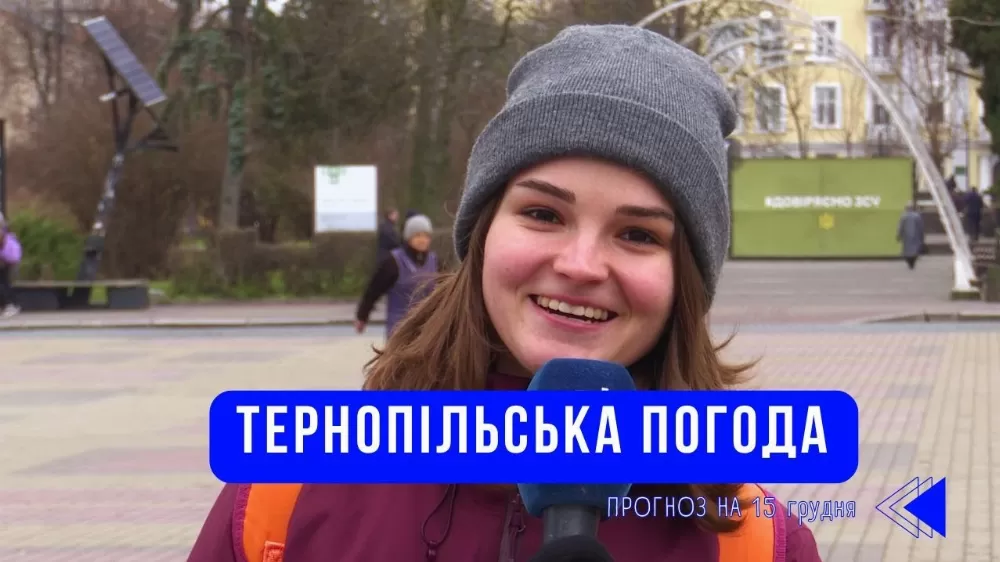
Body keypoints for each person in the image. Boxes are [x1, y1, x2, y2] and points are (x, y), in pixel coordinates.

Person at [187, 25, 821, 562]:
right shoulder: (284, 497)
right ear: (483, 234)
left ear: (687, 279)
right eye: (543, 214)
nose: (580, 265)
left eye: (637, 234)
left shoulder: (756, 544)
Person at [355, 213, 440, 337]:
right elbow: (373, 291)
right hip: (399, 329)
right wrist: (362, 316)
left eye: (426, 236)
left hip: (427, 329)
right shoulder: (393, 262)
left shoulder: (435, 261)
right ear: (408, 237)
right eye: (418, 235)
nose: (422, 240)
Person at [0, 212, 21, 318]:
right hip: (6, 260)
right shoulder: (5, 231)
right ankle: (10, 305)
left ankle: (10, 305)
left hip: (4, 260)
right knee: (4, 282)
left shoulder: (2, 233)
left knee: (3, 283)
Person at [897, 202, 925, 270]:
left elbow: (901, 227)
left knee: (907, 251)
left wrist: (899, 235)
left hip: (906, 236)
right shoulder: (917, 216)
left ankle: (910, 263)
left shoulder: (903, 216)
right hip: (916, 236)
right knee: (914, 250)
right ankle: (912, 262)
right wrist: (922, 236)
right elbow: (921, 227)